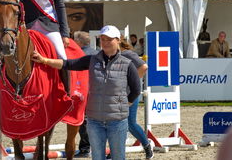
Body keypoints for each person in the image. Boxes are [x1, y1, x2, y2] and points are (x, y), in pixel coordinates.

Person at [32, 25, 141, 160]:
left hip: (117, 121)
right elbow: (67, 64)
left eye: (109, 39)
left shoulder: (127, 64)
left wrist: (123, 105)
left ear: (118, 40)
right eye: (103, 39)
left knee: (118, 157)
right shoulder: (91, 60)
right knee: (97, 157)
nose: (105, 42)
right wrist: (44, 60)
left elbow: (136, 90)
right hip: (95, 121)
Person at [10, 0, 70, 92]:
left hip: (48, 26)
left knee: (62, 56)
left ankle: (67, 94)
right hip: (26, 27)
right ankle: (0, 90)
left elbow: (60, 6)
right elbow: (12, 7)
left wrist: (65, 33)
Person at [118, 40, 153, 159]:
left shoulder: (127, 53)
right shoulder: (114, 55)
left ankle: (147, 146)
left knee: (130, 123)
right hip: (118, 93)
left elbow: (144, 66)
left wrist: (134, 82)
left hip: (130, 94)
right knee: (116, 124)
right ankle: (116, 151)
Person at [73, 31, 98, 158]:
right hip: (97, 91)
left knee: (83, 121)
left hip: (83, 91)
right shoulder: (97, 52)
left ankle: (85, 148)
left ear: (79, 42)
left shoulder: (78, 54)